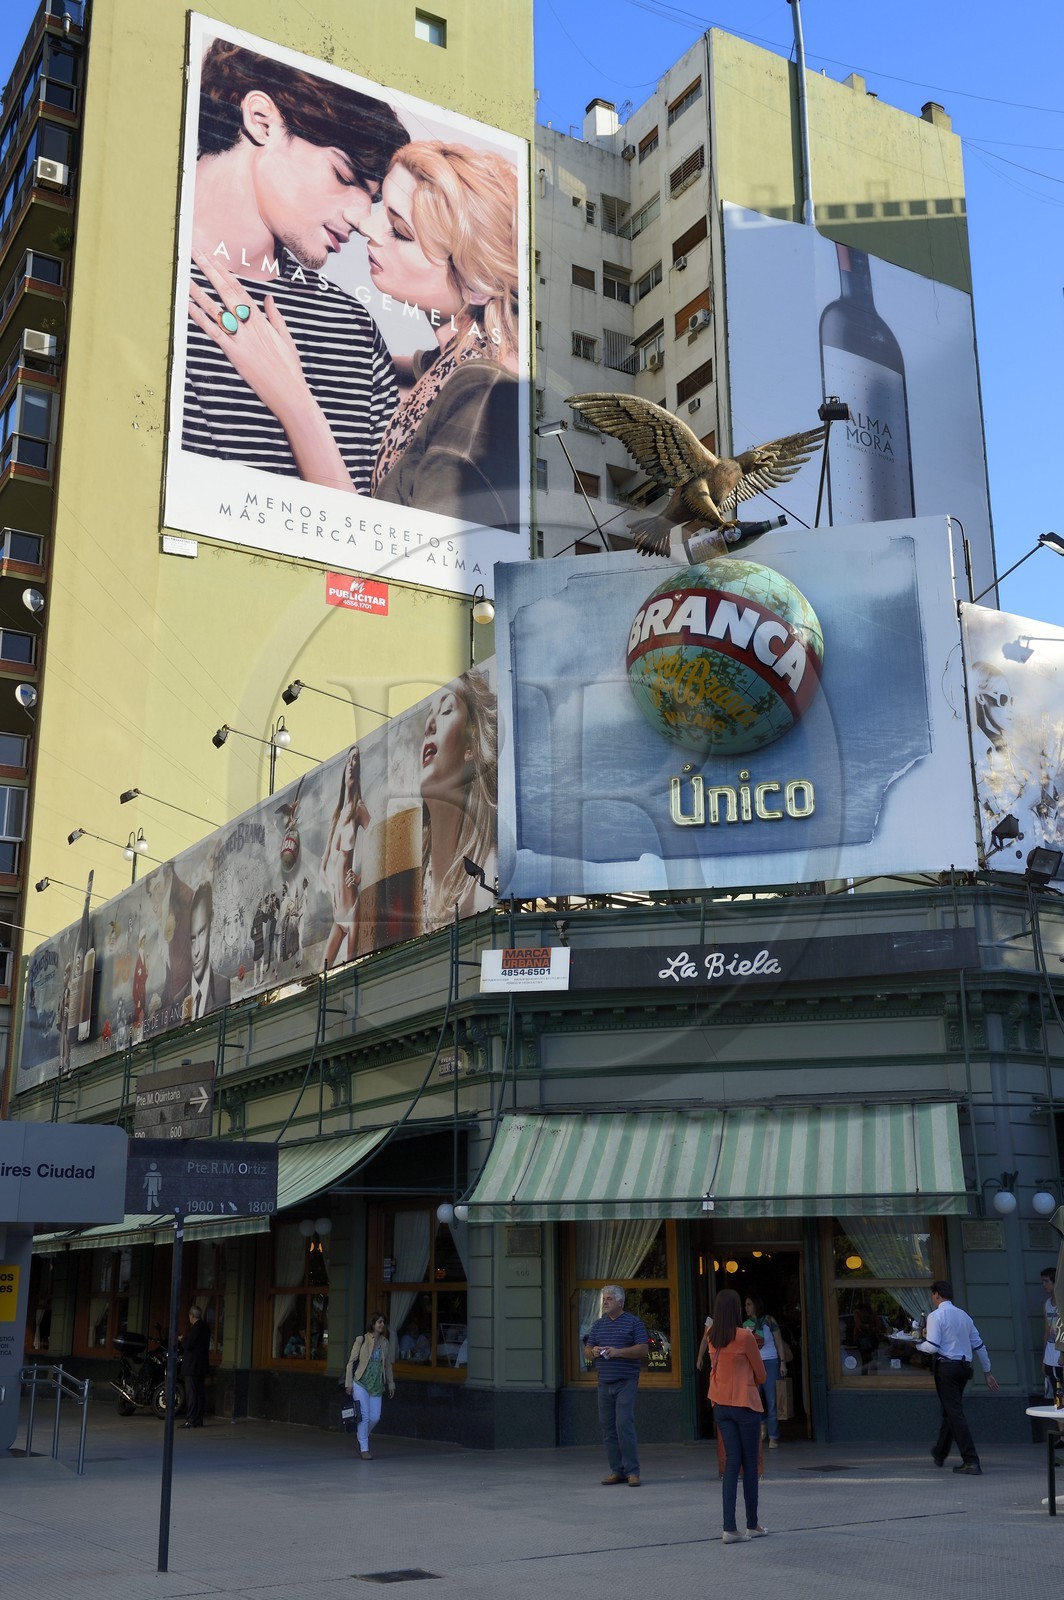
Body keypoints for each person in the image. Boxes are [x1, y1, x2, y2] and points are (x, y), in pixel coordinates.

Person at [189, 140, 521, 532]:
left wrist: (294, 402)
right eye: (383, 211)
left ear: (477, 284)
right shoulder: (425, 367)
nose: (367, 227)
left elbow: (409, 572)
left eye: (399, 231)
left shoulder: (485, 393)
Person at [185, 39, 408, 488]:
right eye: (343, 176)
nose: (362, 219)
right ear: (261, 121)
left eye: (373, 197)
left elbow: (374, 529)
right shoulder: (135, 263)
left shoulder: (351, 327)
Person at [420, 673, 498, 933]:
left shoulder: (488, 872)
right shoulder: (410, 873)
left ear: (470, 747)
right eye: (429, 715)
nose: (429, 724)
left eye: (445, 711)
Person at [917, 1278, 1000, 1473]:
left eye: (933, 1294)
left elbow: (932, 1347)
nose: (932, 1298)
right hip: (963, 1368)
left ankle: (971, 1460)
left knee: (954, 1412)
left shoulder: (936, 1316)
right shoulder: (964, 1316)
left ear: (937, 1294)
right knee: (950, 1409)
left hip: (946, 1367)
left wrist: (915, 1344)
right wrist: (988, 1372)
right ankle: (940, 1452)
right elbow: (979, 1346)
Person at [708, 1288, 768, 1542]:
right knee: (750, 1464)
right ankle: (752, 1524)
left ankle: (728, 1527)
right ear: (735, 1310)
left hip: (720, 1404)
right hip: (745, 1404)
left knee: (732, 1463)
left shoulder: (712, 1337)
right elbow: (761, 1374)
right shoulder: (745, 1337)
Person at [582, 1286, 649, 1488]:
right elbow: (586, 1350)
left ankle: (632, 1471)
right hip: (604, 1382)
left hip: (625, 1382)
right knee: (608, 1428)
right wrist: (592, 1351)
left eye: (610, 1298)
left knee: (623, 1425)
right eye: (604, 1299)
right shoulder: (598, 1325)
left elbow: (643, 1349)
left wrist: (618, 1352)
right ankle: (616, 1470)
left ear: (620, 1302)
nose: (605, 1302)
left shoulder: (633, 1322)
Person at [321, 747, 371, 967]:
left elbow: (379, 838)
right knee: (322, 971)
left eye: (356, 761)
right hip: (337, 916)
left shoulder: (359, 809)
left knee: (351, 972)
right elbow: (323, 866)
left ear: (358, 771)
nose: (351, 764)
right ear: (343, 769)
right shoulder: (337, 814)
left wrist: (361, 876)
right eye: (349, 760)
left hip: (352, 911)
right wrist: (331, 889)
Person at [344, 1312, 395, 1460]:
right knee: (365, 1416)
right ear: (372, 1324)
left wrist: (391, 1383)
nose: (382, 1325)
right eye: (379, 1322)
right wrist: (348, 1383)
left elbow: (388, 1365)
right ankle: (364, 1448)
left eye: (383, 1322)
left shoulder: (385, 1342)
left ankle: (362, 1436)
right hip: (361, 1382)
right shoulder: (362, 1340)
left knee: (375, 1417)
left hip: (377, 1383)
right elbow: (351, 1362)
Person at [179, 881, 232, 1019]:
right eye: (192, 939)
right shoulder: (178, 1000)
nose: (196, 951)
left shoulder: (223, 988)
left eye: (201, 933)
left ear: (211, 926)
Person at [743, 1295, 787, 1447]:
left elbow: (779, 1342)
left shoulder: (769, 1320)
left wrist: (782, 1363)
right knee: (755, 1398)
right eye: (745, 1305)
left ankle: (773, 1436)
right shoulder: (746, 1325)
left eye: (749, 1304)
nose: (746, 1307)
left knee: (772, 1399)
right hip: (755, 1364)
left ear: (756, 1305)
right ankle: (762, 1424)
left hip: (771, 1362)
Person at [1040, 1267, 1064, 1431]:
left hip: (1060, 1354)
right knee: (1057, 1395)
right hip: (1050, 1355)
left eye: (1046, 1281)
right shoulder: (1047, 1304)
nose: (1044, 1285)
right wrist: (1043, 1358)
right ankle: (1061, 1434)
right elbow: (1047, 1330)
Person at [180, 1305, 210, 1429]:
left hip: (192, 1366)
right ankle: (198, 1419)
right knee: (200, 1393)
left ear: (191, 1316)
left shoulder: (196, 1328)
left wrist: (182, 1339)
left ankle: (191, 1420)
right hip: (201, 1366)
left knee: (191, 1393)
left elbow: (189, 1344)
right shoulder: (205, 1327)